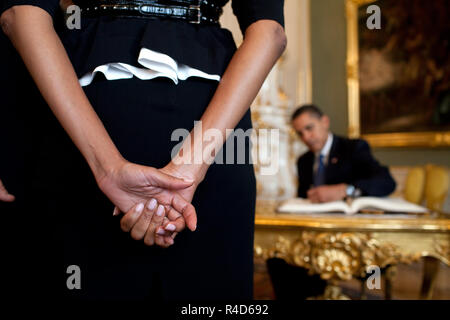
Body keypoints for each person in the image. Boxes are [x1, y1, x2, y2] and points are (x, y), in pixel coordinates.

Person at [1, 0, 286, 300]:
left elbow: (22, 14)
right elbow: (269, 29)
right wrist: (188, 170)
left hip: (82, 119)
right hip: (210, 135)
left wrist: (108, 167)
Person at [267, 104, 396, 300]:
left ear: (325, 122)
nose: (306, 138)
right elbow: (304, 197)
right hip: (314, 235)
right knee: (277, 257)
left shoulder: (354, 148)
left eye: (309, 128)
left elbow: (387, 182)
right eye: (300, 133)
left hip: (354, 237)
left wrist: (345, 189)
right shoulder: (304, 161)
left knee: (370, 271)